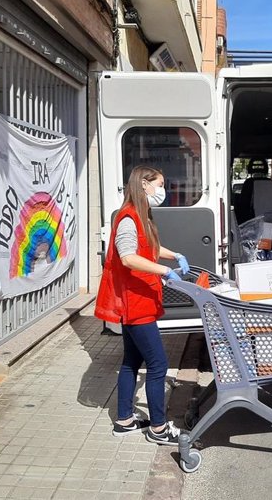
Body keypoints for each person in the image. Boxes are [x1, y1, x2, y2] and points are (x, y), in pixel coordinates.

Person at [94, 166, 191, 443]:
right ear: (145, 185)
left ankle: (124, 420)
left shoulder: (140, 216)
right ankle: (159, 429)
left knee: (131, 361)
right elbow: (127, 257)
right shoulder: (128, 218)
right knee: (158, 364)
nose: (163, 190)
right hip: (136, 303)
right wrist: (164, 271)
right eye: (159, 184)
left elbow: (147, 248)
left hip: (140, 300)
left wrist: (174, 255)